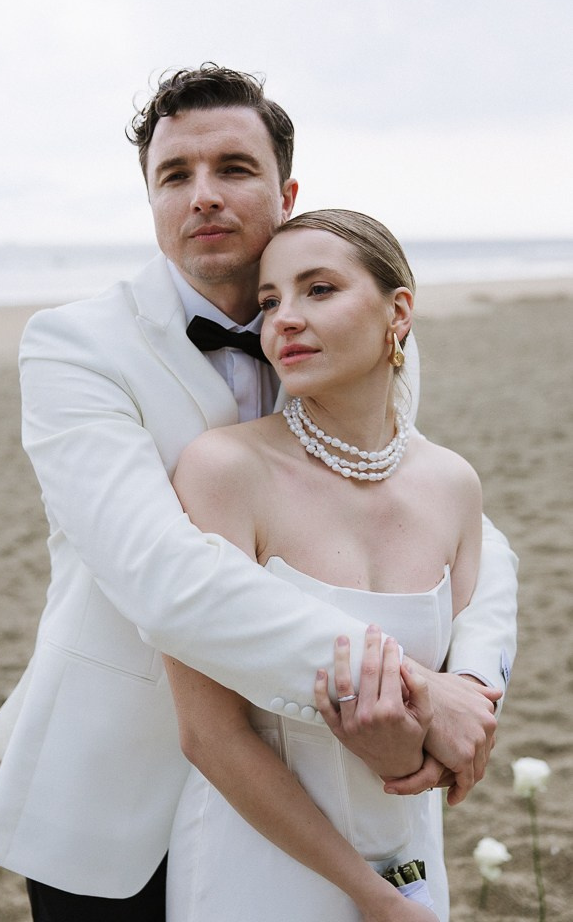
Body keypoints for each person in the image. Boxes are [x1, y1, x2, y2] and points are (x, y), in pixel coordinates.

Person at [0, 65, 517, 920]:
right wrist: (415, 686)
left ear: (284, 187)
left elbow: (447, 513)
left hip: (305, 779)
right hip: (119, 786)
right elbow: (165, 578)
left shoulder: (344, 330)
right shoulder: (73, 347)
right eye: (174, 176)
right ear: (149, 200)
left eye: (232, 168)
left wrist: (475, 688)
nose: (203, 196)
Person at [165, 208, 481, 921]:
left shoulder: (453, 485)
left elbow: (453, 723)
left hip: (408, 850)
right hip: (260, 859)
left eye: (319, 290)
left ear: (397, 311)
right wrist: (369, 898)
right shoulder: (223, 470)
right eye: (270, 301)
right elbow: (208, 733)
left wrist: (407, 769)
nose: (284, 319)